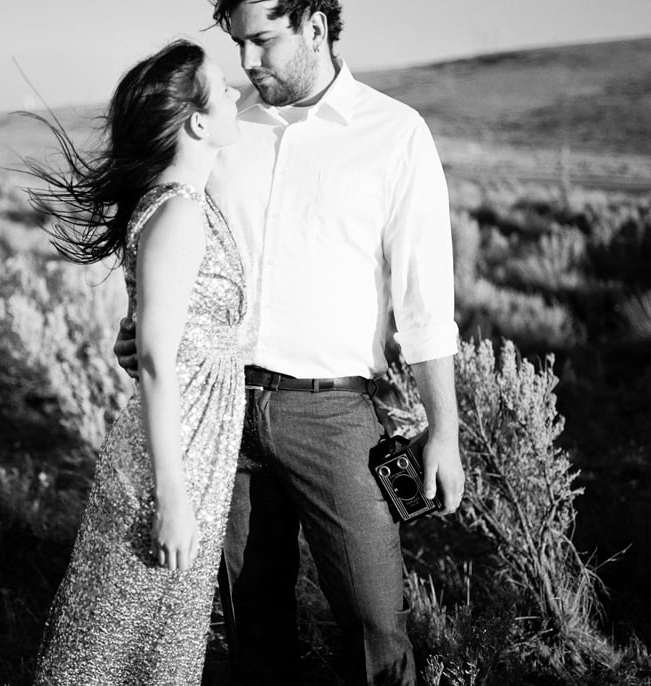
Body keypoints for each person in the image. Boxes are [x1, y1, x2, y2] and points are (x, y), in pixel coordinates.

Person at [112, 2, 466, 684]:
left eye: (262, 42)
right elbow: (174, 237)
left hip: (335, 417)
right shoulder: (223, 131)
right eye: (237, 44)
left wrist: (442, 429)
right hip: (221, 412)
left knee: (372, 617)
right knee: (250, 612)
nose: (245, 63)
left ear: (313, 26)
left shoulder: (393, 134)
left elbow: (425, 300)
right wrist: (143, 326)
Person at [26, 39, 247, 685]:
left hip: (196, 443)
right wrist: (172, 498)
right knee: (122, 640)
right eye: (223, 89)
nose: (236, 94)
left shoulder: (182, 197)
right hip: (175, 458)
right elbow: (155, 360)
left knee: (145, 639)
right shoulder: (178, 210)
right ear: (198, 122)